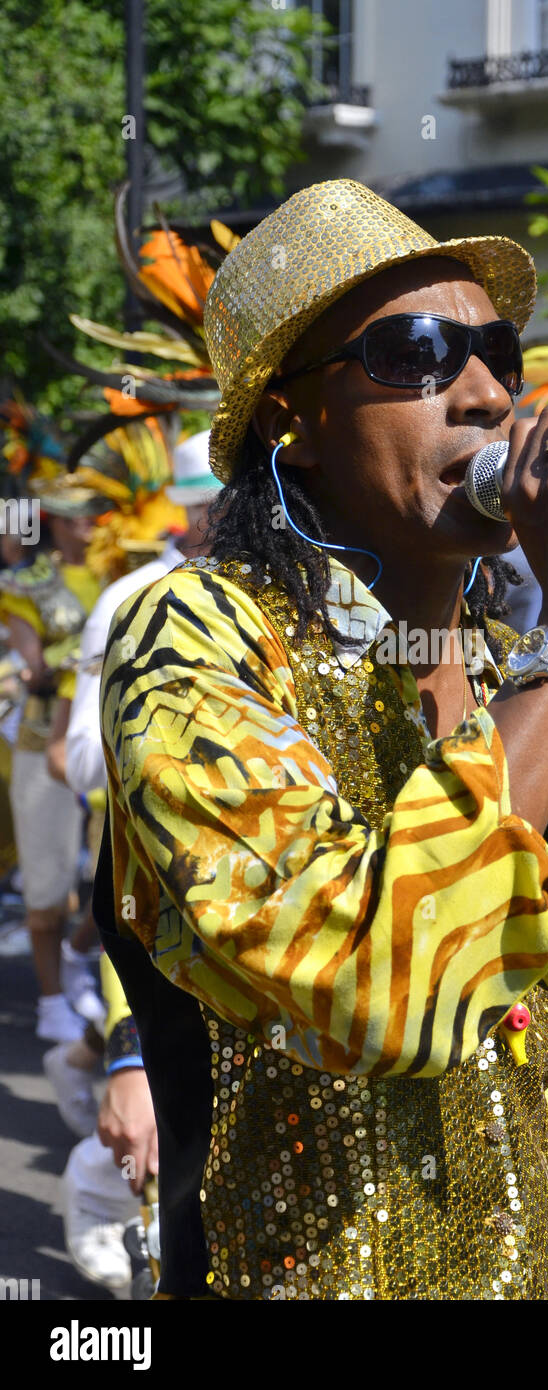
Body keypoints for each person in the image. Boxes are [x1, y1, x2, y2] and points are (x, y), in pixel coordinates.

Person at [96, 177, 548, 1300]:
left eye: (498, 352)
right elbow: (379, 985)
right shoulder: (197, 636)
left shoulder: (500, 663)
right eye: (419, 353)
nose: (488, 394)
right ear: (293, 417)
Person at [50, 429, 222, 1292]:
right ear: (191, 511)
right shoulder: (130, 600)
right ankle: (103, 1185)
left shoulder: (336, 596)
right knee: (159, 1124)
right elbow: (76, 757)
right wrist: (160, 758)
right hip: (148, 888)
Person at [0, 478, 105, 1041]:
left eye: (96, 512)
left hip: (112, 744)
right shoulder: (26, 585)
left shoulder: (124, 571)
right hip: (45, 747)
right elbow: (33, 669)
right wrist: (91, 655)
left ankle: (73, 959)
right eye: (79, 514)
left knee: (115, 882)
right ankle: (49, 1002)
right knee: (47, 890)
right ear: (57, 522)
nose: (91, 522)